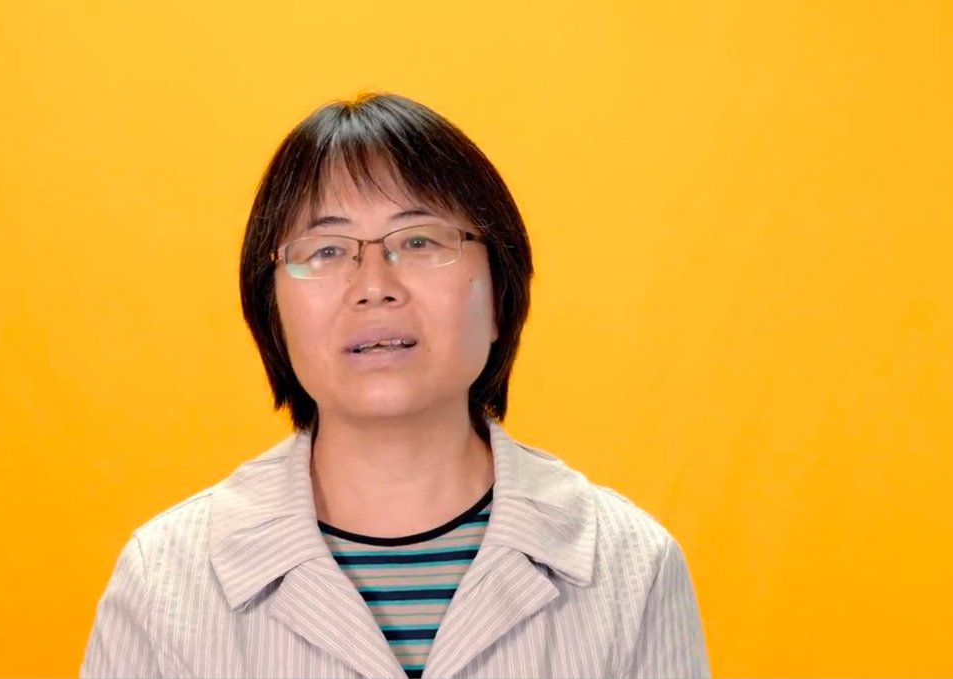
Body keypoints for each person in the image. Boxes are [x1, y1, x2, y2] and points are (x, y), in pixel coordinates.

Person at [80, 92, 710, 679]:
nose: (374, 285)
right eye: (327, 250)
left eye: (418, 240)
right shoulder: (165, 582)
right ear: (272, 312)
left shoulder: (631, 568)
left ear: (499, 295)